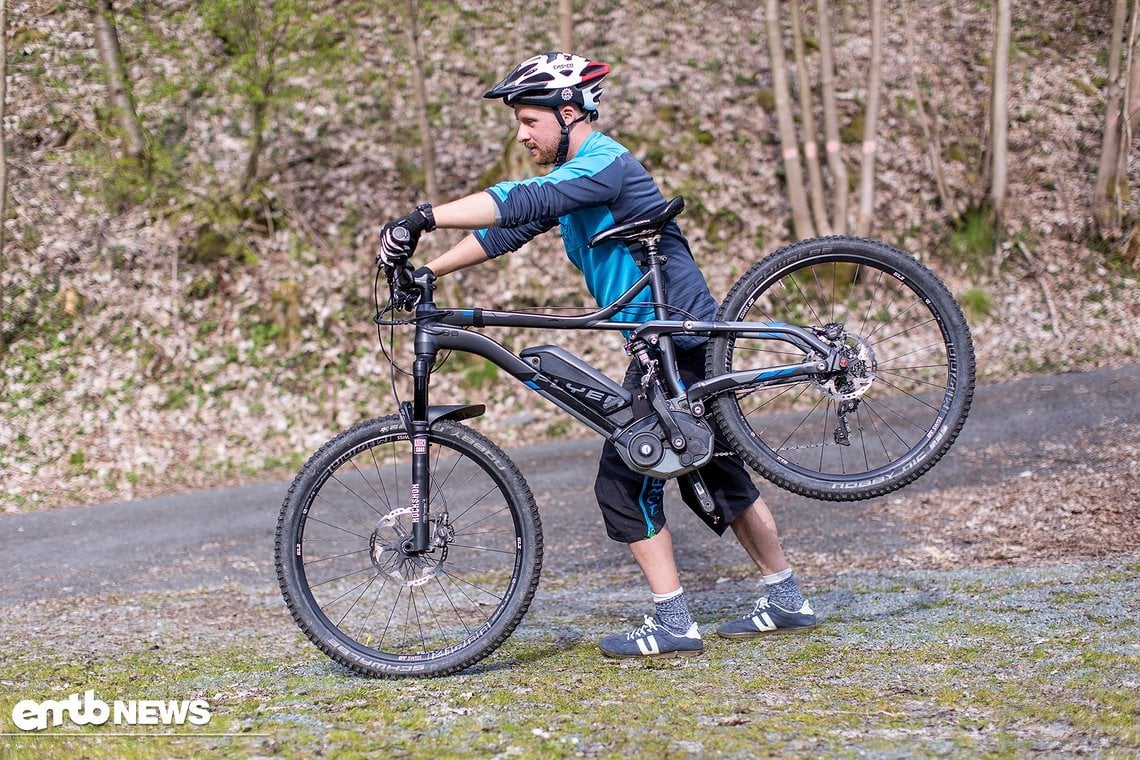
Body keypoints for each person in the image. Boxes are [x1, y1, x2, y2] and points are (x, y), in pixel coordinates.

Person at [377, 52, 816, 658]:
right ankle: (785, 596)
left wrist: (423, 217)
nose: (522, 135)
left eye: (530, 121)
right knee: (711, 466)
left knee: (626, 475)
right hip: (658, 339)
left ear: (567, 112)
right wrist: (429, 270)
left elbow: (520, 201)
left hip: (674, 333)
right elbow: (508, 230)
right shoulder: (578, 181)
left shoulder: (604, 164)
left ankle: (673, 620)